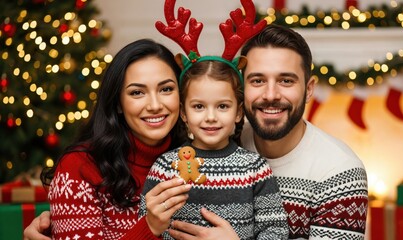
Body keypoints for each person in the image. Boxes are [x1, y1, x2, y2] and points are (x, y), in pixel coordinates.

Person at [24, 24, 368, 240]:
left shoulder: (335, 172)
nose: (155, 105)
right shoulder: (176, 156)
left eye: (166, 89)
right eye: (258, 81)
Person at [167, 24, 368, 240]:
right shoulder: (219, 138)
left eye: (286, 81)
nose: (271, 94)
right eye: (258, 80)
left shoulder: (340, 172)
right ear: (241, 89)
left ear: (308, 89)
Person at [38, 38, 194, 240]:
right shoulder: (79, 167)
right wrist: (149, 227)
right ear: (118, 104)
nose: (155, 105)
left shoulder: (194, 160)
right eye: (137, 92)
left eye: (166, 89)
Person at [142, 57, 289, 239]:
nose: (211, 117)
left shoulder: (255, 168)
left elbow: (276, 231)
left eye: (222, 106)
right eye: (198, 106)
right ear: (183, 113)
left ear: (238, 112)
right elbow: (146, 224)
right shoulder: (164, 167)